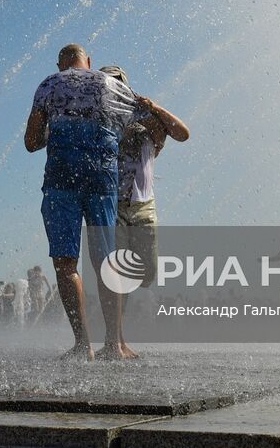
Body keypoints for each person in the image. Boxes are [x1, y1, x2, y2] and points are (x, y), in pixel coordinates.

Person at [24, 43, 163, 360]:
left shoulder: (48, 85)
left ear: (62, 65)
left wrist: (55, 131)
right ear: (88, 62)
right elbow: (155, 122)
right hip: (102, 180)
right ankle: (114, 344)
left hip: (61, 182)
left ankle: (82, 345)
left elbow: (31, 142)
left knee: (65, 263)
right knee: (107, 263)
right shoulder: (111, 85)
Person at [99, 65, 189, 358]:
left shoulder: (147, 125)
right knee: (117, 275)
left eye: (117, 84)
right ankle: (116, 342)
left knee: (146, 272)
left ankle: (117, 340)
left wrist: (155, 107)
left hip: (142, 207)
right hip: (111, 206)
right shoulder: (102, 125)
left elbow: (183, 134)